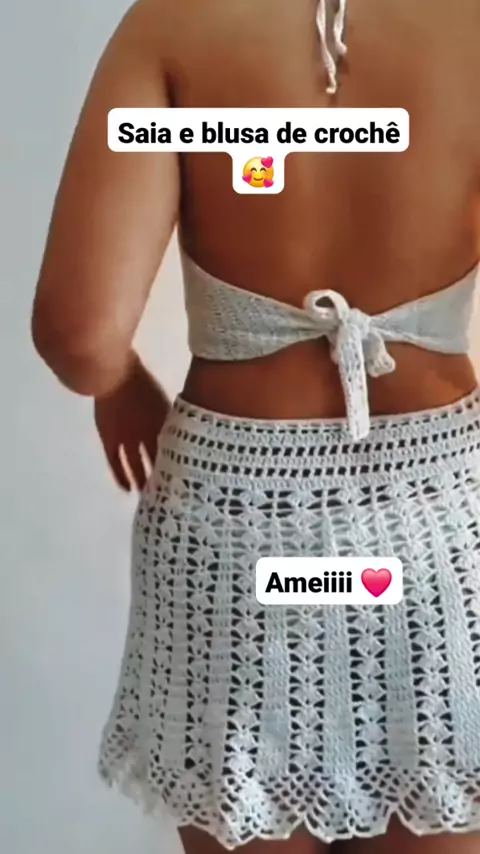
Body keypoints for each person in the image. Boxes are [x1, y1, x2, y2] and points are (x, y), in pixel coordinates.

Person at [31, 0, 480, 852]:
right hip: (442, 527)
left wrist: (120, 385)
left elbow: (80, 334)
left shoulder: (172, 23)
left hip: (234, 532)